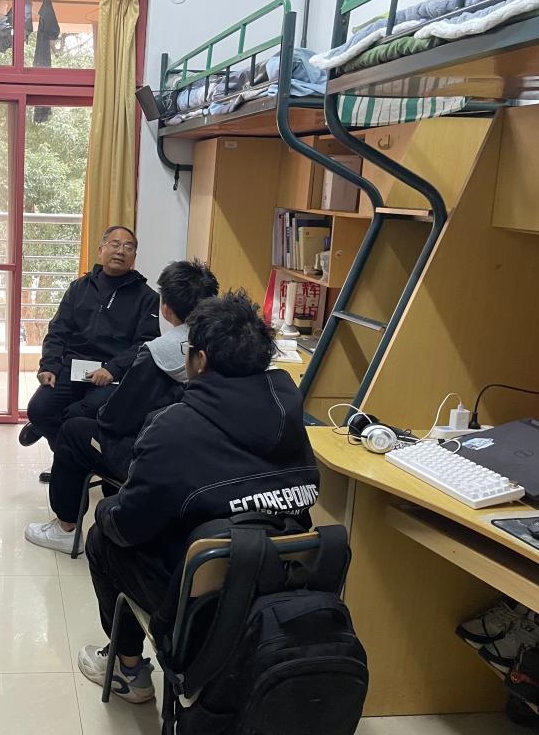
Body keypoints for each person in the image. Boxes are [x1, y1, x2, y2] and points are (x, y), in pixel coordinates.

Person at [75, 292, 321, 703]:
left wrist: (106, 510)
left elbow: (128, 525)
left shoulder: (174, 427)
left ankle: (129, 670)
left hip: (203, 595)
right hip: (278, 580)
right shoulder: (290, 410)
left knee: (103, 537)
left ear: (200, 360)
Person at [24, 259, 220, 554]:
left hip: (151, 453)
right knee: (54, 409)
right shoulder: (224, 343)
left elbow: (117, 418)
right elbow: (58, 329)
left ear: (165, 307)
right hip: (205, 452)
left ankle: (65, 528)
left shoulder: (157, 352)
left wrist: (105, 402)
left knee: (73, 430)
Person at [20, 226, 160, 482]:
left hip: (112, 374)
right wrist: (49, 365)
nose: (121, 251)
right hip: (72, 367)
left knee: (78, 414)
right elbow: (58, 330)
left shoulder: (147, 297)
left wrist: (113, 369)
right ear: (101, 250)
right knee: (39, 409)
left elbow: (145, 343)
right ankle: (70, 459)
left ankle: (68, 465)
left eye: (128, 247)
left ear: (134, 256)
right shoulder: (79, 287)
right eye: (114, 244)